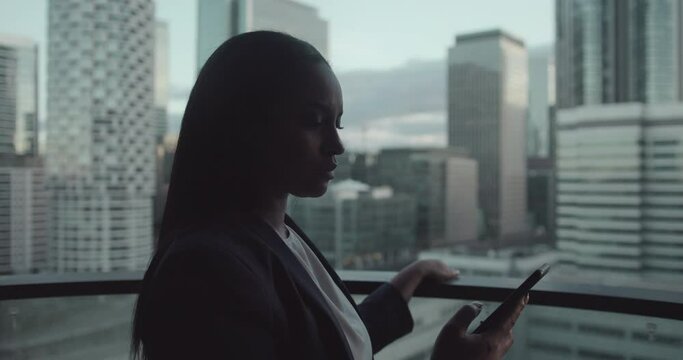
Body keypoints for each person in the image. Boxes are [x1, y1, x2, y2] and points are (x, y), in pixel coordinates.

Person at [131, 31, 526, 360]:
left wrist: (405, 282)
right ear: (244, 126)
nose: (338, 145)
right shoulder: (207, 272)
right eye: (315, 121)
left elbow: (325, 341)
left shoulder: (277, 233)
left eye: (337, 122)